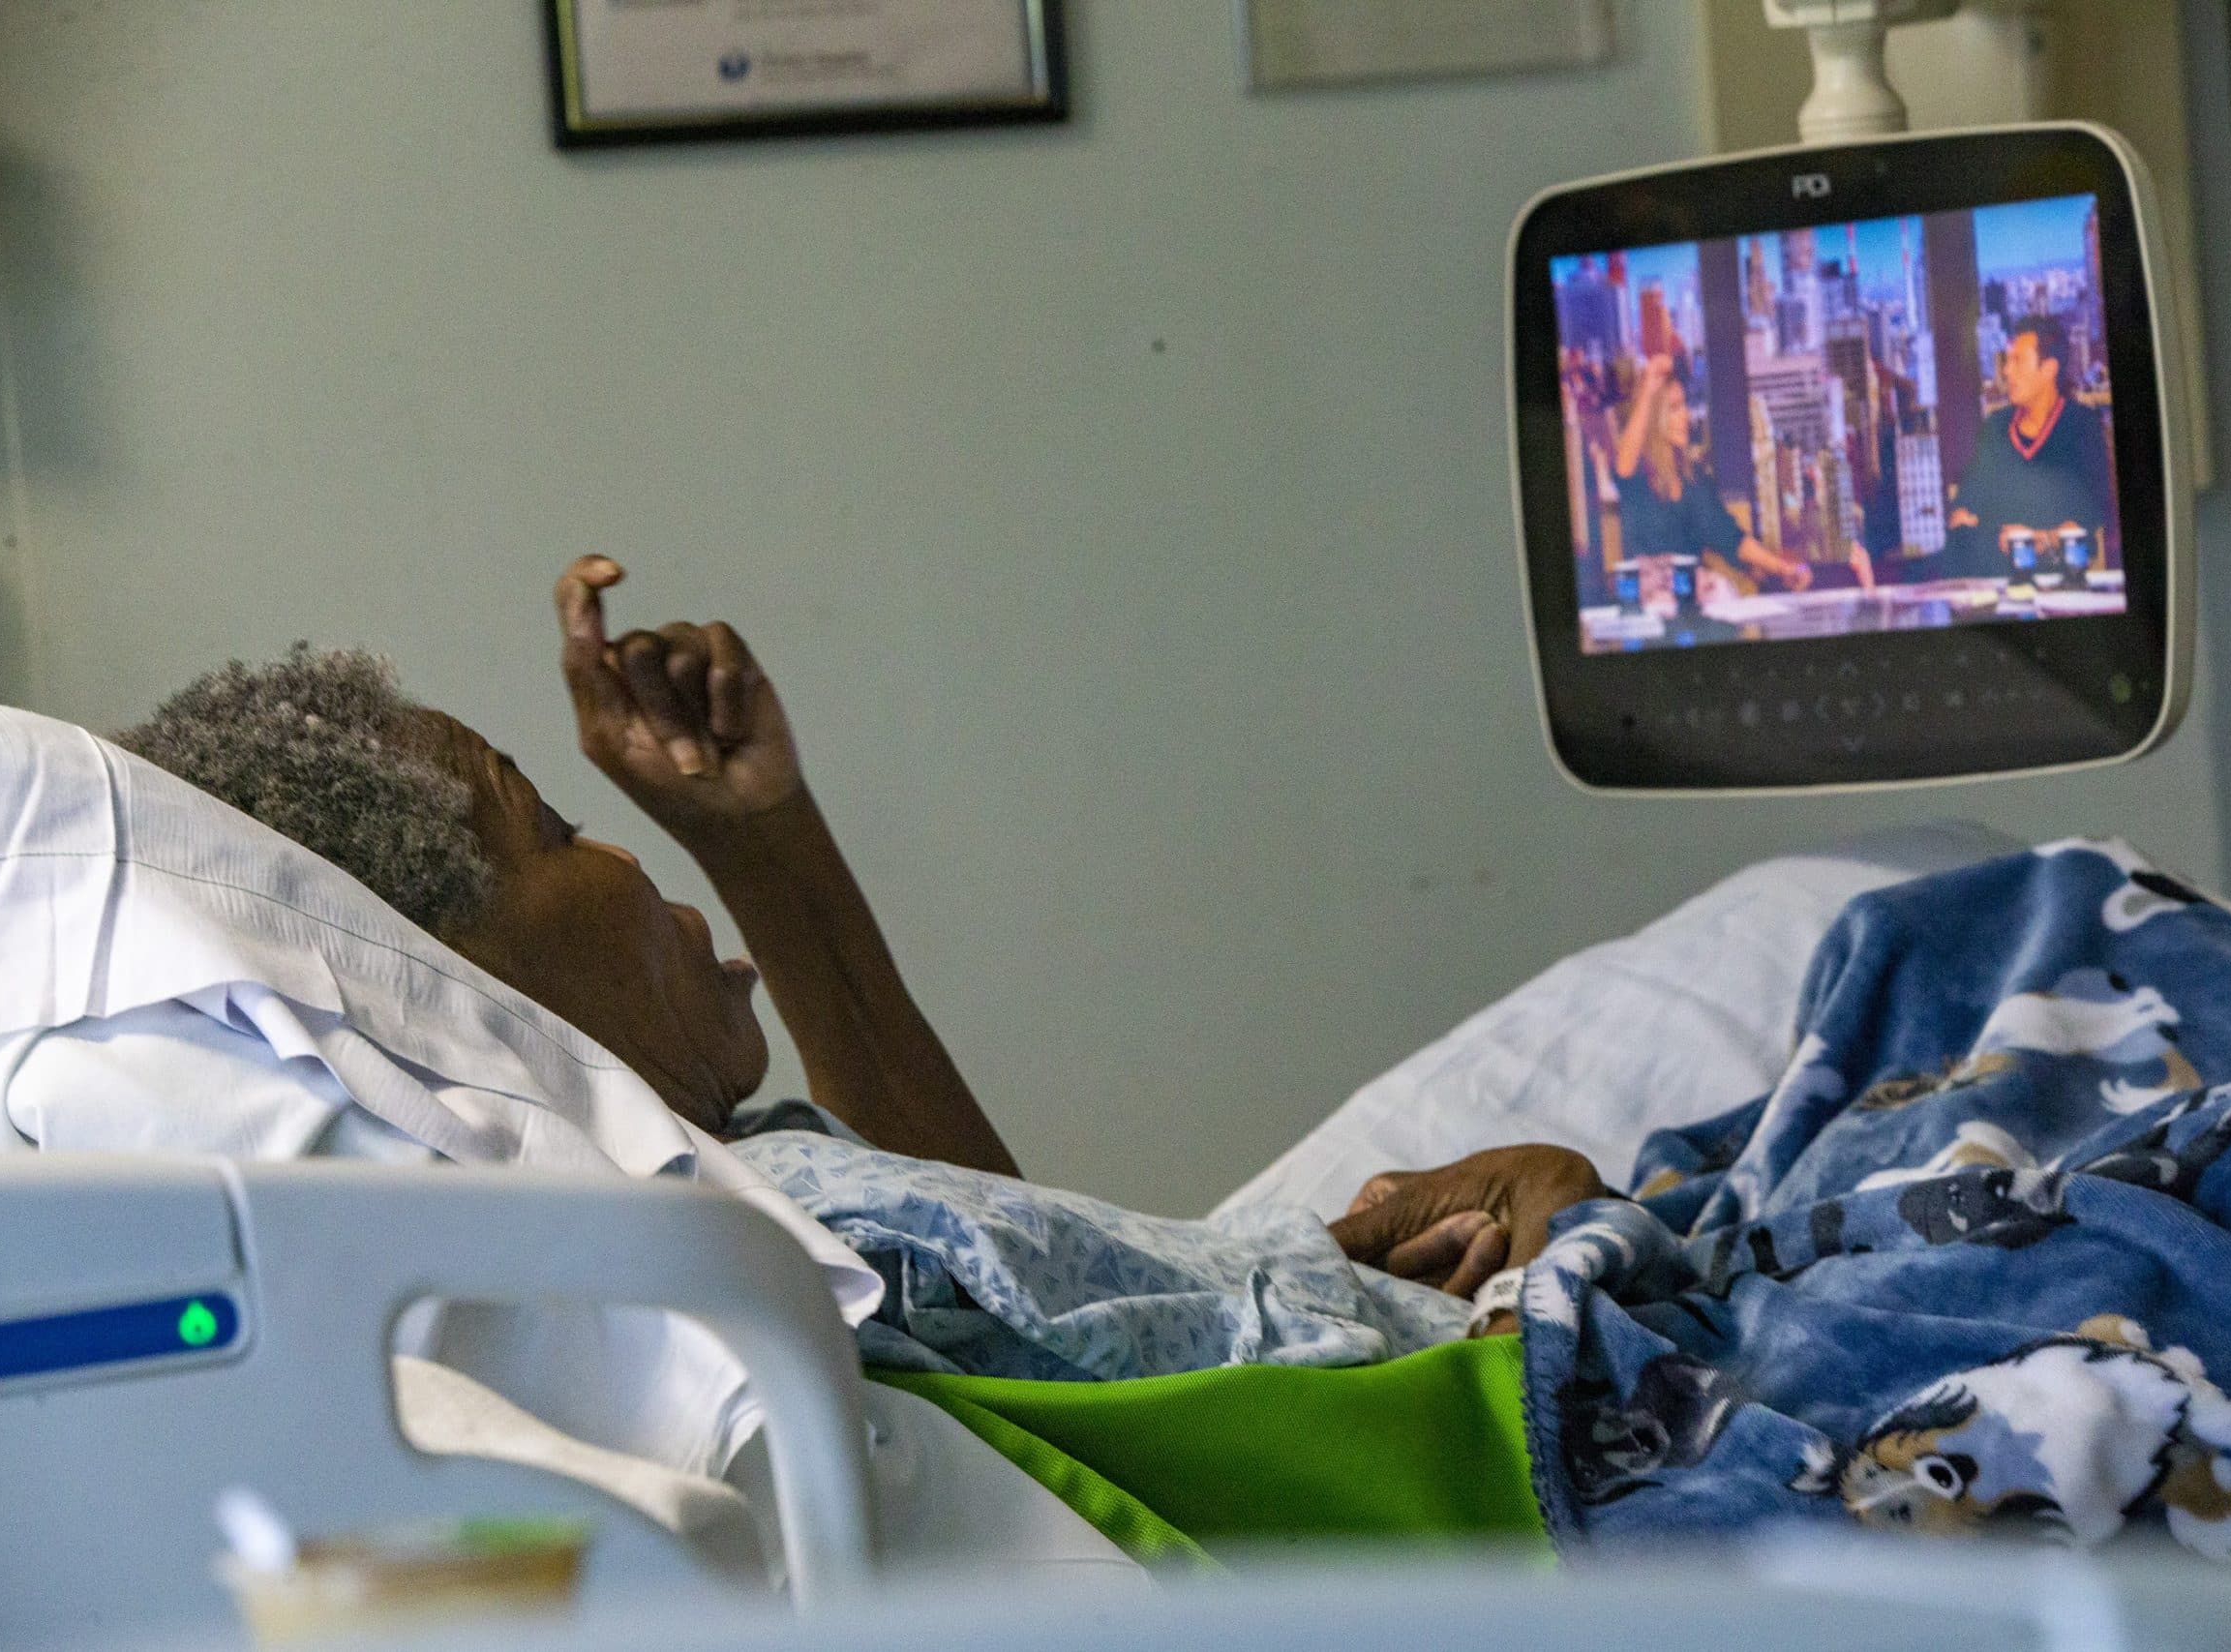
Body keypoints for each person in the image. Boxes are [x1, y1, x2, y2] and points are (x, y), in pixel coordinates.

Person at [113, 556, 1598, 1306]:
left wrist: (759, 843)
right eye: (554, 832)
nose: (614, 845)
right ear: (446, 991)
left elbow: (1028, 1264)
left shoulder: (738, 1203)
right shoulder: (714, 1257)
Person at [1613, 355, 1873, 595]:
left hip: (1686, 598)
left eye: (1684, 407)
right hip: (1646, 599)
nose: (1686, 416)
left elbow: (1731, 538)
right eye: (1674, 408)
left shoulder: (1694, 479)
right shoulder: (1639, 474)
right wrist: (1647, 388)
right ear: (1655, 417)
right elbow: (1623, 465)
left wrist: (1783, 569)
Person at [1945, 314, 2115, 579]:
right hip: (1993, 572)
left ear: (2048, 369)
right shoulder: (1997, 427)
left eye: (2018, 361)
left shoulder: (2081, 425)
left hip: (2062, 573)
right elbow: (1967, 504)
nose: (2006, 370)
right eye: (2008, 360)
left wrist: (2041, 538)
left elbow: (2090, 511)